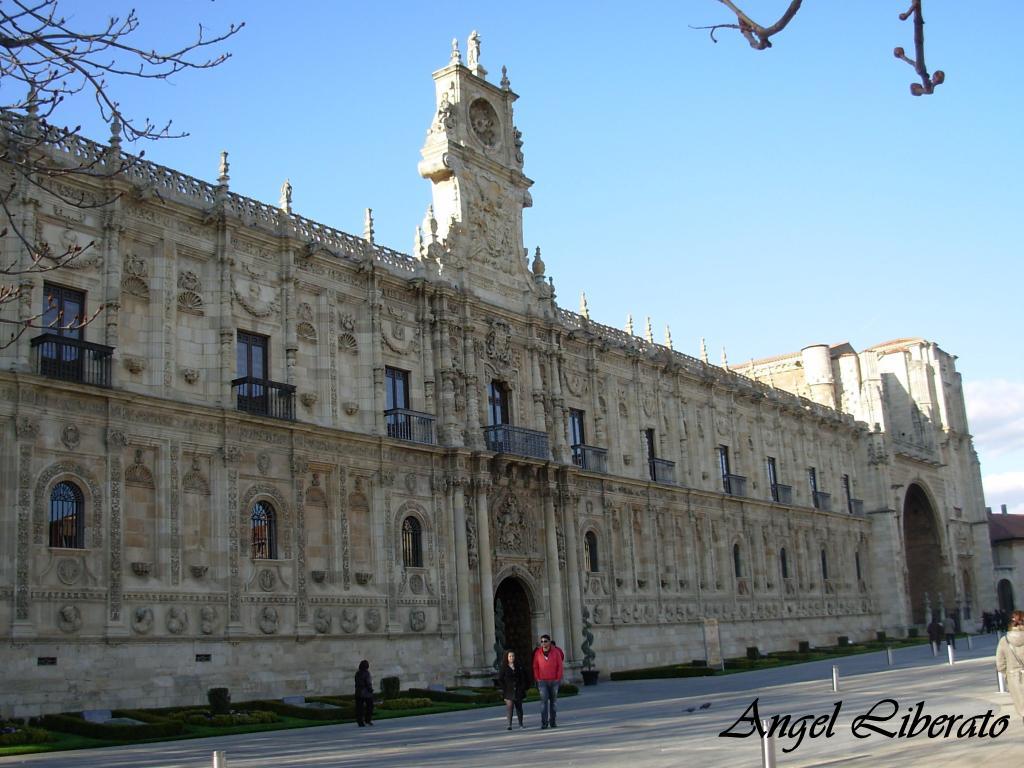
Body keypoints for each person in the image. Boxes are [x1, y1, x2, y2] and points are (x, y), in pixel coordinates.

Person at [995, 609, 1024, 724]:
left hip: (1014, 678)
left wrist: (1008, 674)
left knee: (1022, 708)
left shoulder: (1004, 640)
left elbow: (1000, 664)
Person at [532, 633, 564, 729]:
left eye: (545, 641)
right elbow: (535, 666)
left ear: (549, 642)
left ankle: (553, 721)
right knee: (543, 702)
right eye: (541, 642)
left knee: (553, 702)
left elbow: (560, 666)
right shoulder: (537, 653)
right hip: (542, 682)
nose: (543, 643)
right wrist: (538, 678)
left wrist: (558, 678)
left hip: (554, 681)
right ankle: (544, 723)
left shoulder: (556, 652)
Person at [497, 649, 528, 730]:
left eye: (513, 656)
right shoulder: (504, 667)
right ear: (507, 657)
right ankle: (509, 725)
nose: (511, 658)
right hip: (508, 690)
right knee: (510, 707)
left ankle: (521, 724)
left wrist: (522, 687)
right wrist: (504, 688)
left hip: (518, 689)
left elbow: (523, 677)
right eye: (510, 656)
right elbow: (500, 679)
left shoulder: (518, 666)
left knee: (519, 707)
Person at [354, 659, 374, 726]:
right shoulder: (366, 673)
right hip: (366, 693)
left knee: (359, 709)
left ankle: (360, 722)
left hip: (358, 693)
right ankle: (367, 720)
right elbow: (368, 682)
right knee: (369, 707)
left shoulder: (357, 673)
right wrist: (371, 689)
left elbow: (356, 682)